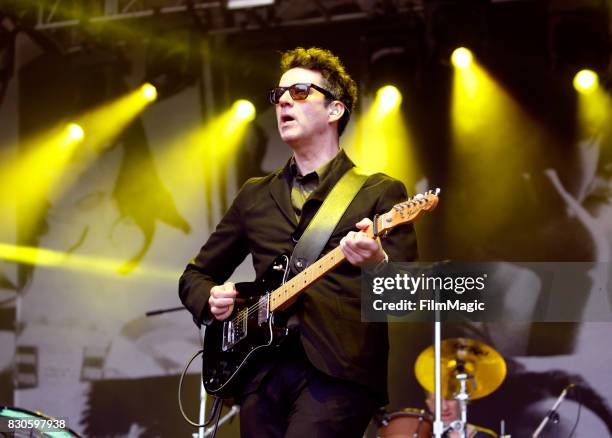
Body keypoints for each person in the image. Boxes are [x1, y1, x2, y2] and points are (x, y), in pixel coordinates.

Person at [179, 46, 418, 438]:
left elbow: (407, 296)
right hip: (260, 374)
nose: (284, 100)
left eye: (301, 92)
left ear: (335, 110)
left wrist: (376, 263)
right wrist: (209, 297)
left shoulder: (378, 192)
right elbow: (196, 274)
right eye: (279, 95)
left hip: (338, 374)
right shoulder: (255, 195)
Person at [424, 392, 497, 438]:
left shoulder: (482, 436)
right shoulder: (420, 435)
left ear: (462, 401)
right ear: (429, 405)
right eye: (437, 400)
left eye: (449, 399)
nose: (444, 407)